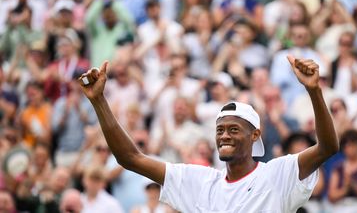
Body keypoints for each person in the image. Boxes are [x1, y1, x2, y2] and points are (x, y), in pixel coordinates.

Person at [78, 55, 339, 212]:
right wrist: (99, 101)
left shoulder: (276, 175)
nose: (224, 135)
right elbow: (130, 158)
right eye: (220, 130)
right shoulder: (200, 181)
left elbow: (327, 147)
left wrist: (314, 91)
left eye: (234, 129)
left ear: (255, 135)